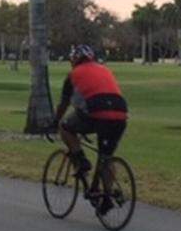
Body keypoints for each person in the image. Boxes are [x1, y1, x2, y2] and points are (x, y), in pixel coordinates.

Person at [55, 45, 128, 213]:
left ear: (73, 60)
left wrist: (54, 121)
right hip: (121, 114)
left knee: (65, 126)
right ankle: (105, 196)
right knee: (106, 157)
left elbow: (63, 104)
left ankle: (81, 160)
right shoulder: (104, 69)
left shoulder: (73, 75)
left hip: (98, 114)